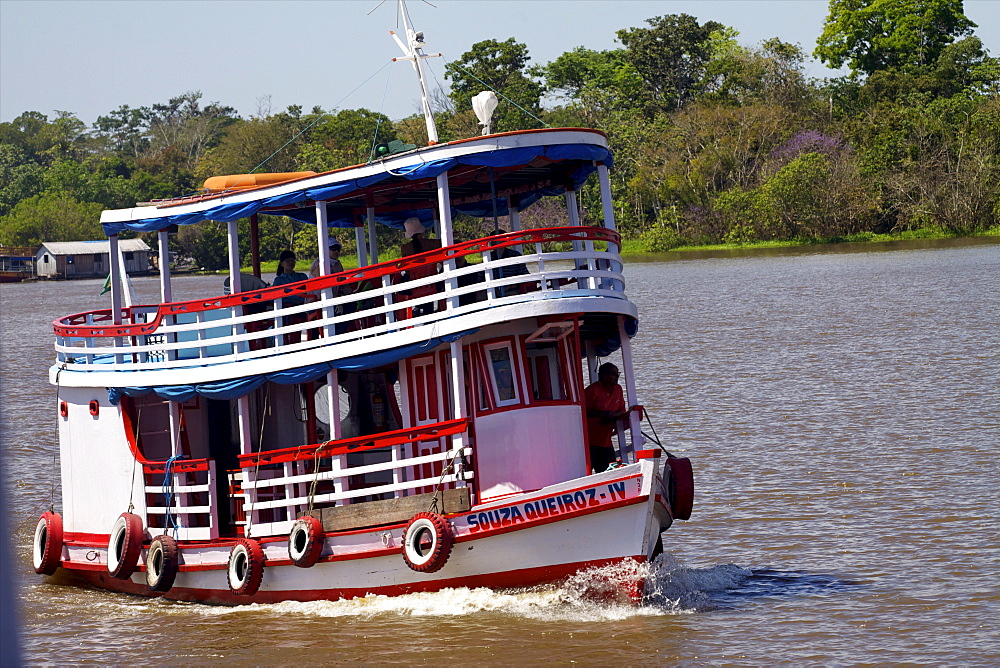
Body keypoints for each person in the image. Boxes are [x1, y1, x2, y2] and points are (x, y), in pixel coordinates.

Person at [584, 362, 628, 473]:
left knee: (611, 473)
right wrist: (602, 414)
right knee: (586, 474)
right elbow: (582, 411)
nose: (617, 377)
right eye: (614, 374)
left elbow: (621, 409)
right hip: (589, 441)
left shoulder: (618, 389)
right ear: (603, 375)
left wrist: (614, 416)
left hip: (606, 441)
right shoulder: (592, 390)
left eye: (617, 373)